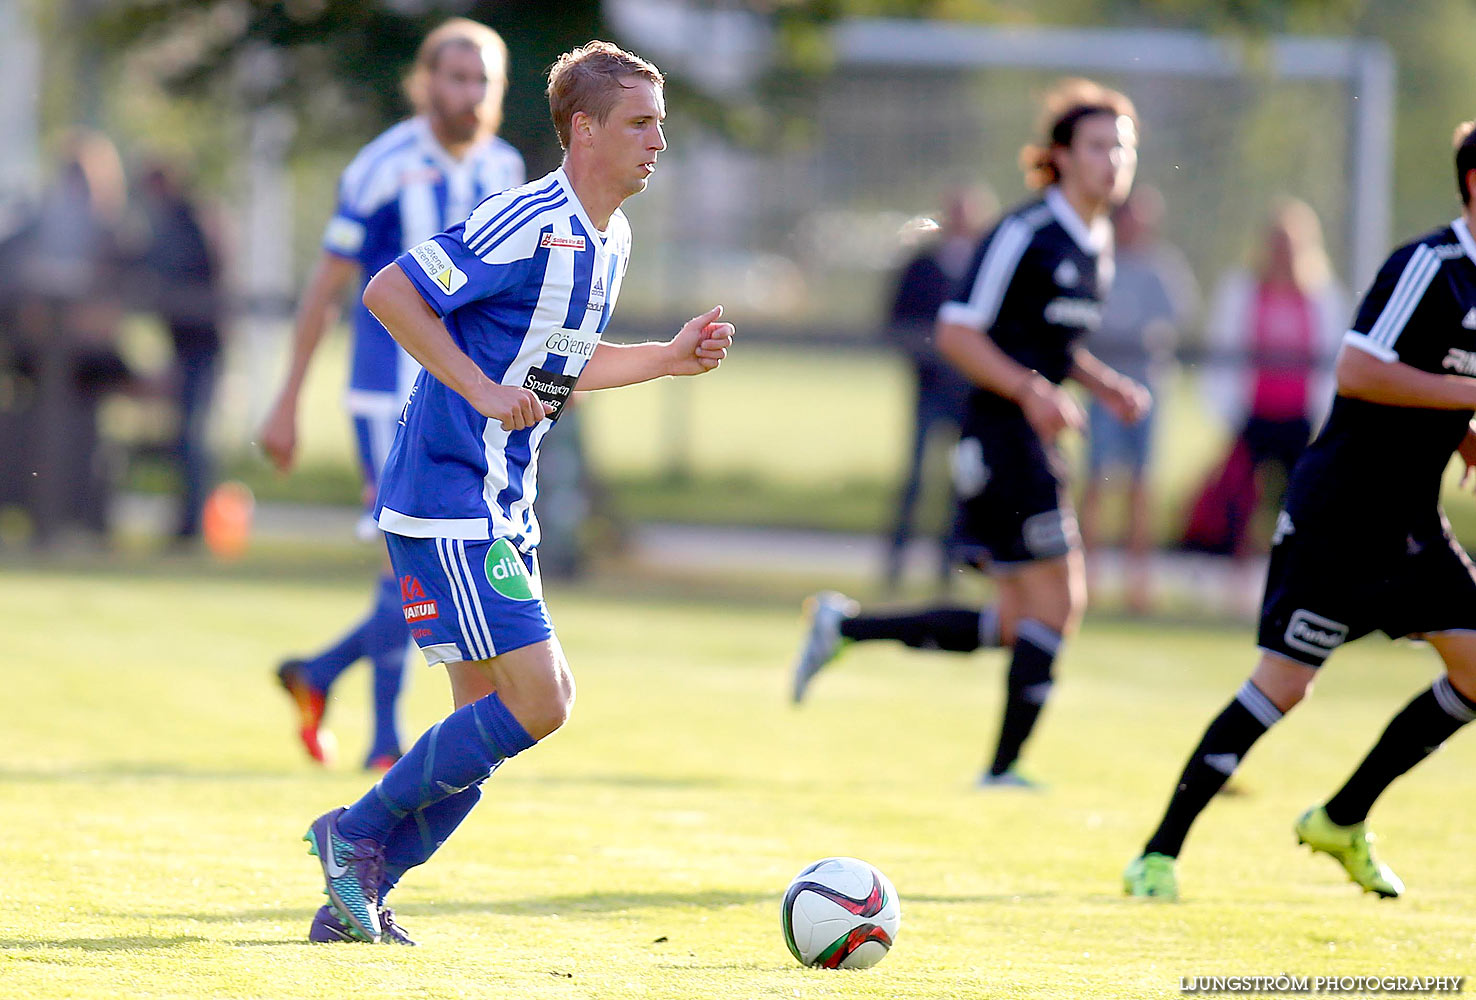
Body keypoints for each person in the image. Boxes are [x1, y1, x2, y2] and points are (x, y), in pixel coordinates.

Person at [299, 40, 736, 946]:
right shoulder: (529, 219)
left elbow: (557, 365)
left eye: (662, 124)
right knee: (543, 701)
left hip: (499, 498)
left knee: (480, 728)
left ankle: (360, 899)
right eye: (640, 124)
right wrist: (478, 388)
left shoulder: (608, 237)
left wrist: (663, 358)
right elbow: (390, 293)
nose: (659, 141)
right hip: (449, 494)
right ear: (584, 129)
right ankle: (354, 836)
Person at [1124, 122, 1476, 901]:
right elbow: (1358, 370)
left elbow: (1443, 383)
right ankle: (1157, 853)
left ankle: (1343, 819)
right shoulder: (1431, 265)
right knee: (1283, 685)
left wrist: (1468, 436)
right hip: (1341, 517)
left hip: (1413, 524)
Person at [791, 78, 1150, 788]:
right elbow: (958, 332)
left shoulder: (1096, 239)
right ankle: (1002, 770)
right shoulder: (1025, 232)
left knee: (1020, 622)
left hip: (1031, 435)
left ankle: (845, 629)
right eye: (1098, 145)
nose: (1114, 160)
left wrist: (1098, 382)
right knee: (1061, 601)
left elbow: (1043, 341)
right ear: (1060, 156)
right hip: (999, 435)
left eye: (1124, 146)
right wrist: (1030, 391)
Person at [259, 18, 526, 772]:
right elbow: (328, 287)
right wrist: (286, 400)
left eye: (484, 81)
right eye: (456, 77)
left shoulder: (506, 170)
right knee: (403, 560)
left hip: (469, 398)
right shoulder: (383, 166)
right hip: (388, 396)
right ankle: (383, 738)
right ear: (425, 82)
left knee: (428, 564)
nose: (469, 93)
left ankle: (320, 675)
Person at [1188, 199, 1346, 584]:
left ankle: (1298, 579)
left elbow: (1335, 360)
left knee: (1301, 504)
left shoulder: (1323, 298)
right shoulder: (1243, 291)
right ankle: (1236, 582)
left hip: (1300, 421)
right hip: (1252, 416)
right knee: (1239, 502)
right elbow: (1223, 352)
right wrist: (1225, 410)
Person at [1078, 185, 1199, 613]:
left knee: (1140, 487)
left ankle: (1138, 583)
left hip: (1147, 386)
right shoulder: (1099, 261)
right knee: (1095, 482)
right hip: (1103, 386)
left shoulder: (1162, 268)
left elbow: (1176, 320)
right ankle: (1085, 578)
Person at [883, 184, 997, 592]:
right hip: (929, 387)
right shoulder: (924, 264)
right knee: (915, 477)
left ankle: (948, 568)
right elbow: (897, 319)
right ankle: (894, 565)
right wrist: (925, 356)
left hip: (967, 392)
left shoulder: (985, 266)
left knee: (959, 481)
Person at [137, 162, 226, 545]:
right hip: (188, 346)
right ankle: (186, 521)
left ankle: (190, 524)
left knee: (190, 438)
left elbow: (173, 267)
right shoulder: (184, 221)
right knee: (186, 436)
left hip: (199, 346)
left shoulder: (183, 223)